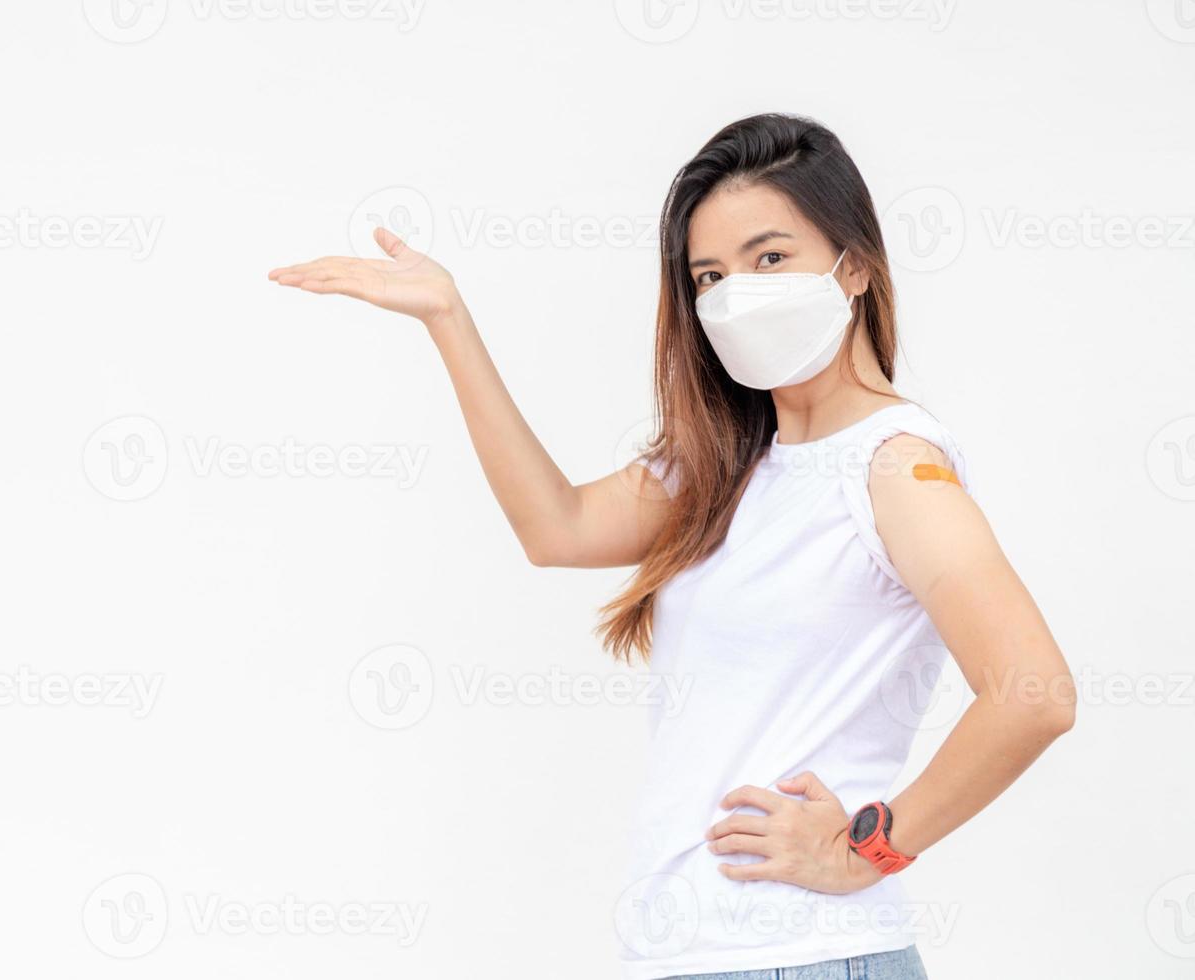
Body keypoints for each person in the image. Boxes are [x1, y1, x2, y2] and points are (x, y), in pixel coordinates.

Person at [269, 112, 1075, 980]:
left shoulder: (892, 467)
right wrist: (449, 319)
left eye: (771, 258)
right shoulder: (725, 466)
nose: (737, 292)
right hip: (689, 951)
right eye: (710, 274)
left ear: (858, 267)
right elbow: (558, 528)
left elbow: (1033, 694)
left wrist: (865, 849)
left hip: (801, 954)